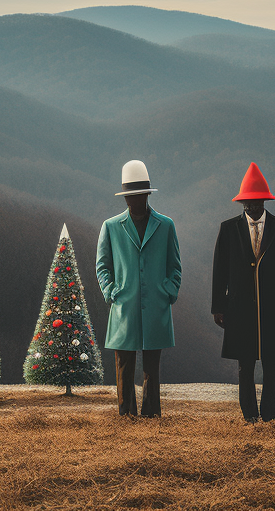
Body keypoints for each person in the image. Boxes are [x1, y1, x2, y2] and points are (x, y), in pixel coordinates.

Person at [211, 163, 275, 423]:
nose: (251, 207)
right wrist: (218, 306)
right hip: (239, 309)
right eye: (246, 202)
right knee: (244, 365)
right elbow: (220, 270)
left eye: (255, 201)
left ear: (264, 200)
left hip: (273, 308)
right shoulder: (228, 229)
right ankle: (249, 415)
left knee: (272, 365)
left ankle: (270, 415)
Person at [97, 160, 181, 418]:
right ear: (125, 198)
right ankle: (126, 414)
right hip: (124, 304)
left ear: (146, 194)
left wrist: (168, 290)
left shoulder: (165, 225)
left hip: (156, 304)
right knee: (124, 363)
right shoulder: (111, 227)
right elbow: (102, 266)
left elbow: (174, 266)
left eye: (138, 195)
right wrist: (112, 292)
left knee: (152, 365)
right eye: (129, 197)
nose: (133, 201)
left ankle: (152, 413)